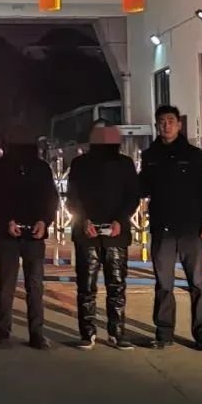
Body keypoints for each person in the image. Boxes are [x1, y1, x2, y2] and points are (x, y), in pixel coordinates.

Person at [138, 104, 202, 351]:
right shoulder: (150, 157)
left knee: (198, 284)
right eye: (162, 122)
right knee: (164, 285)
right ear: (157, 126)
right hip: (162, 229)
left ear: (179, 124)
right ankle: (164, 334)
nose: (166, 126)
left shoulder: (194, 156)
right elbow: (141, 187)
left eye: (171, 121)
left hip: (191, 229)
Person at [66, 123, 140, 350]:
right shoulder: (79, 164)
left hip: (116, 234)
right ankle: (87, 333)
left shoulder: (125, 164)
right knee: (86, 286)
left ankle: (116, 333)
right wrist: (83, 219)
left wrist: (121, 219)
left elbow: (132, 196)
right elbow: (72, 197)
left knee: (116, 285)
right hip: (86, 232)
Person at [0, 123, 59, 350]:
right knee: (6, 284)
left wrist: (44, 221)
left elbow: (51, 198)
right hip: (7, 235)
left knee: (35, 285)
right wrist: (5, 221)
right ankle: (3, 332)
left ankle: (37, 333)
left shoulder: (42, 168)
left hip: (34, 235)